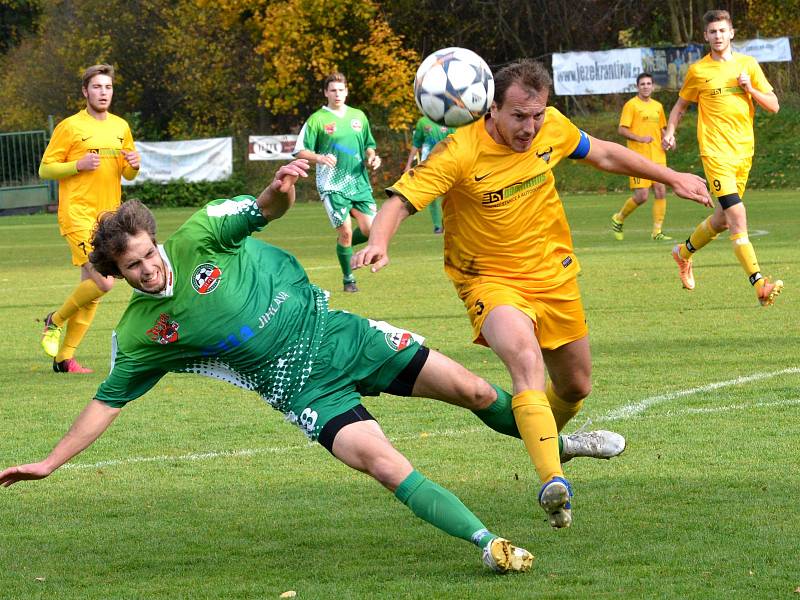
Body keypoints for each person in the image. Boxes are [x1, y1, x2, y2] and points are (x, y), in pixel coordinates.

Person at [0, 159, 624, 572]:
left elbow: (266, 208)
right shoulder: (142, 334)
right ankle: (488, 545)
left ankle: (558, 446)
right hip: (302, 389)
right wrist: (51, 462)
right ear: (118, 276)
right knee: (385, 464)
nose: (149, 269)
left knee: (471, 389)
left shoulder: (199, 231)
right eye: (133, 268)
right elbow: (106, 403)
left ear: (156, 240)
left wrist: (281, 186)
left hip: (341, 334)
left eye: (148, 254)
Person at [352, 59, 712, 529]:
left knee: (575, 386)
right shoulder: (458, 152)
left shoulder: (552, 129)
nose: (530, 126)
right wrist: (378, 242)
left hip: (553, 275)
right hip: (488, 278)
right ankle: (553, 483)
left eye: (537, 114)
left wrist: (673, 177)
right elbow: (400, 202)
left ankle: (554, 442)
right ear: (492, 109)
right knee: (525, 361)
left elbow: (603, 153)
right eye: (519, 116)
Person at [662, 9, 783, 306]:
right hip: (715, 153)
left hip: (743, 153)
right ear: (705, 36)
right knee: (738, 215)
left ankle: (683, 252)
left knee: (722, 220)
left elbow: (774, 106)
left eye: (722, 31)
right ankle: (759, 284)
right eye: (712, 32)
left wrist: (749, 88)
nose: (717, 36)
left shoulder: (748, 65)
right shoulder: (699, 72)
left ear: (731, 33)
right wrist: (670, 132)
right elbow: (679, 107)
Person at [38, 63, 140, 373]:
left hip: (109, 220)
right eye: (97, 87)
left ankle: (64, 359)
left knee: (93, 291)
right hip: (78, 215)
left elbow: (128, 172)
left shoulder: (121, 127)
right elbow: (45, 169)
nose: (103, 92)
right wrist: (77, 165)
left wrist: (134, 164)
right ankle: (54, 321)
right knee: (105, 282)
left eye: (108, 87)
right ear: (86, 91)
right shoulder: (69, 127)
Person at [294, 72, 381, 293]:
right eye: (332, 90)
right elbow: (300, 151)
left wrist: (372, 156)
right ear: (326, 93)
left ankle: (344, 248)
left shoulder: (358, 116)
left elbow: (369, 145)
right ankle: (348, 279)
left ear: (347, 91)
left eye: (341, 90)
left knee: (372, 230)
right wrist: (319, 158)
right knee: (346, 231)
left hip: (359, 182)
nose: (337, 94)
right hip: (332, 184)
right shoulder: (317, 119)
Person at [611, 73, 672, 241]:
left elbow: (662, 130)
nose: (646, 86)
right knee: (642, 196)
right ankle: (619, 218)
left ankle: (657, 232)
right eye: (642, 84)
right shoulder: (631, 105)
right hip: (638, 156)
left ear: (653, 86)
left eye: (648, 83)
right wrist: (640, 138)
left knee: (661, 191)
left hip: (658, 155)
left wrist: (668, 139)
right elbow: (622, 130)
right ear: (637, 87)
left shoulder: (658, 106)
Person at [403, 116, 455, 234]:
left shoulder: (449, 120)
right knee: (431, 196)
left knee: (451, 195)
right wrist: (408, 164)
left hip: (447, 163)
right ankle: (437, 225)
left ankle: (447, 223)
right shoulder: (422, 122)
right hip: (428, 164)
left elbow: (457, 141)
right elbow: (416, 144)